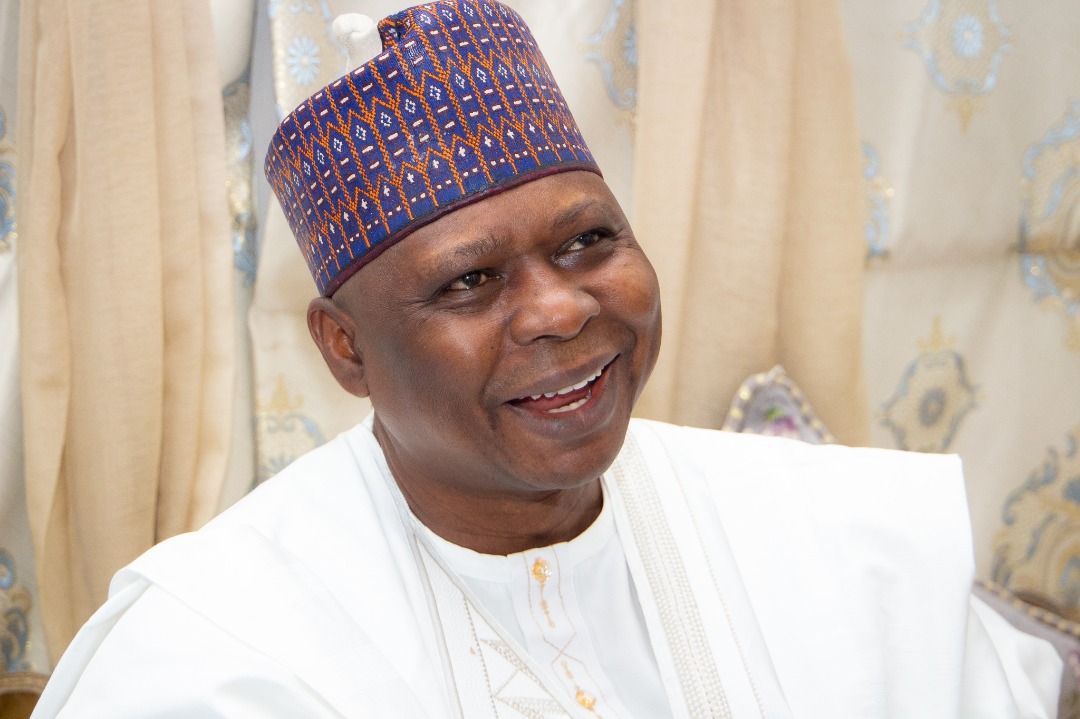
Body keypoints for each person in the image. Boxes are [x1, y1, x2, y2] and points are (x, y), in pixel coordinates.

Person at [31, 1, 1063, 717]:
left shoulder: (844, 546)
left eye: (588, 241)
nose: (563, 309)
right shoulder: (215, 651)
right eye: (469, 282)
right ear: (345, 349)